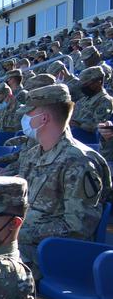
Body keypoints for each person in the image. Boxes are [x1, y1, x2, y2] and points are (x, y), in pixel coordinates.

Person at [17, 84, 110, 278]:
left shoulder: (79, 161)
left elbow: (78, 228)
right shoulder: (33, 155)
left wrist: (19, 231)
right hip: (21, 245)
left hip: (52, 255)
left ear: (43, 118)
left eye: (29, 113)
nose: (24, 119)